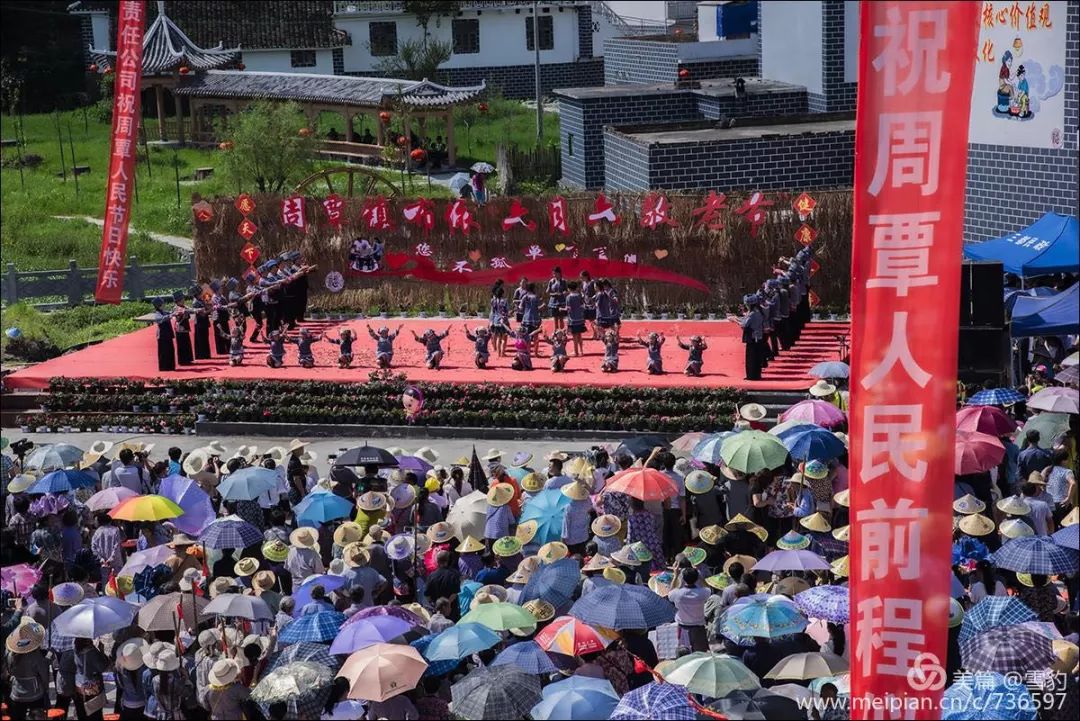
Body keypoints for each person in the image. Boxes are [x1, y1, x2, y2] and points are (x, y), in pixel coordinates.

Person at [668, 568, 711, 652]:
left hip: (682, 628)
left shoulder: (677, 594)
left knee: (683, 655)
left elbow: (670, 592)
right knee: (700, 655)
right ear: (697, 578)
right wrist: (701, 577)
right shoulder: (702, 593)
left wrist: (675, 576)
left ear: (683, 578)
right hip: (698, 628)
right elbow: (708, 588)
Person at [151, 297, 177, 372]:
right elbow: (161, 320)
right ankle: (164, 367)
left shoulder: (164, 311)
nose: (164, 304)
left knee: (170, 350)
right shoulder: (157, 313)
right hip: (162, 335)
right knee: (163, 352)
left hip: (168, 334)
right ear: (159, 305)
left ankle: (170, 366)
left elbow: (170, 313)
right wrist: (170, 316)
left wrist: (173, 313)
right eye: (162, 303)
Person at [173, 290, 194, 366]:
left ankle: (188, 359)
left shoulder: (184, 306)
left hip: (185, 327)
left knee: (186, 343)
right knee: (181, 344)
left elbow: (189, 310)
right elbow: (182, 312)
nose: (183, 300)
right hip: (180, 328)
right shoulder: (176, 307)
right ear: (178, 301)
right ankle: (182, 360)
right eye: (182, 299)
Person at [546, 266, 568, 332]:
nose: (554, 275)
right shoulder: (551, 281)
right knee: (555, 318)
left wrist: (564, 293)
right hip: (553, 302)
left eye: (555, 273)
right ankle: (556, 331)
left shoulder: (563, 281)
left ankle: (562, 332)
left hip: (561, 302)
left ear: (559, 273)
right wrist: (554, 294)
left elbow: (566, 290)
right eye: (553, 274)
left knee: (561, 318)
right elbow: (548, 292)